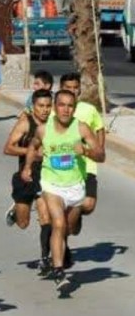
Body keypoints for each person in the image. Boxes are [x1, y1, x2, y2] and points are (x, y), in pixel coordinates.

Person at [22, 90, 105, 293]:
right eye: (61, 105)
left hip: (75, 186)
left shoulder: (82, 128)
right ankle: (59, 271)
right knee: (58, 224)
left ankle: (71, 228)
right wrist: (26, 167)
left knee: (69, 228)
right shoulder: (43, 129)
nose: (65, 109)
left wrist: (85, 150)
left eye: (70, 105)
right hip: (51, 185)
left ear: (74, 108)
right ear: (54, 107)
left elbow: (101, 156)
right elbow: (33, 146)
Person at [3, 89, 54, 274]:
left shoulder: (56, 125)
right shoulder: (25, 123)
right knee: (23, 224)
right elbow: (8, 148)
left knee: (46, 217)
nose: (45, 110)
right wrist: (32, 153)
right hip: (26, 176)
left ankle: (44, 258)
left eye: (49, 106)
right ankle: (17, 209)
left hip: (47, 177)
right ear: (33, 107)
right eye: (41, 106)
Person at [57, 73, 106, 239]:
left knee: (89, 205)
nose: (72, 90)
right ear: (61, 89)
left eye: (75, 87)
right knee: (63, 211)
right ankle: (63, 247)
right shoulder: (54, 110)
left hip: (87, 164)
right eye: (68, 88)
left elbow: (99, 129)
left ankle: (75, 215)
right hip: (63, 166)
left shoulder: (89, 110)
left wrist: (98, 149)